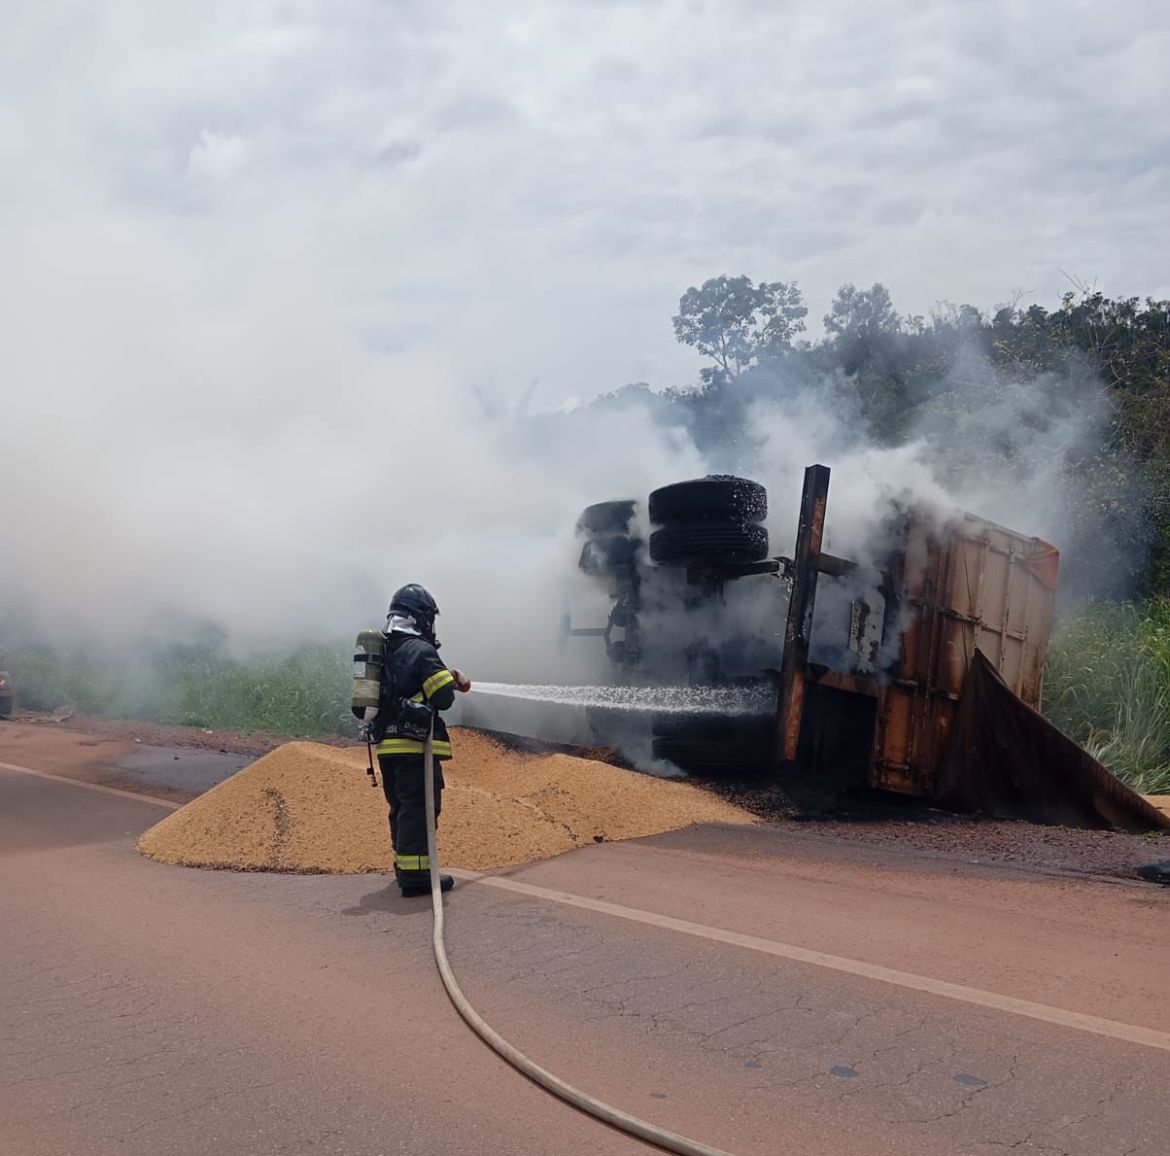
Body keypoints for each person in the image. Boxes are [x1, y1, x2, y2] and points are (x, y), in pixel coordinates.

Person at [375, 583, 471, 897]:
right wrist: (452, 678)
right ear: (420, 618)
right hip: (415, 747)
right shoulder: (421, 650)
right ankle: (416, 877)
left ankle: (403, 867)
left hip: (386, 746)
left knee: (400, 807)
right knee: (418, 808)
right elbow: (442, 698)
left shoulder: (384, 651)